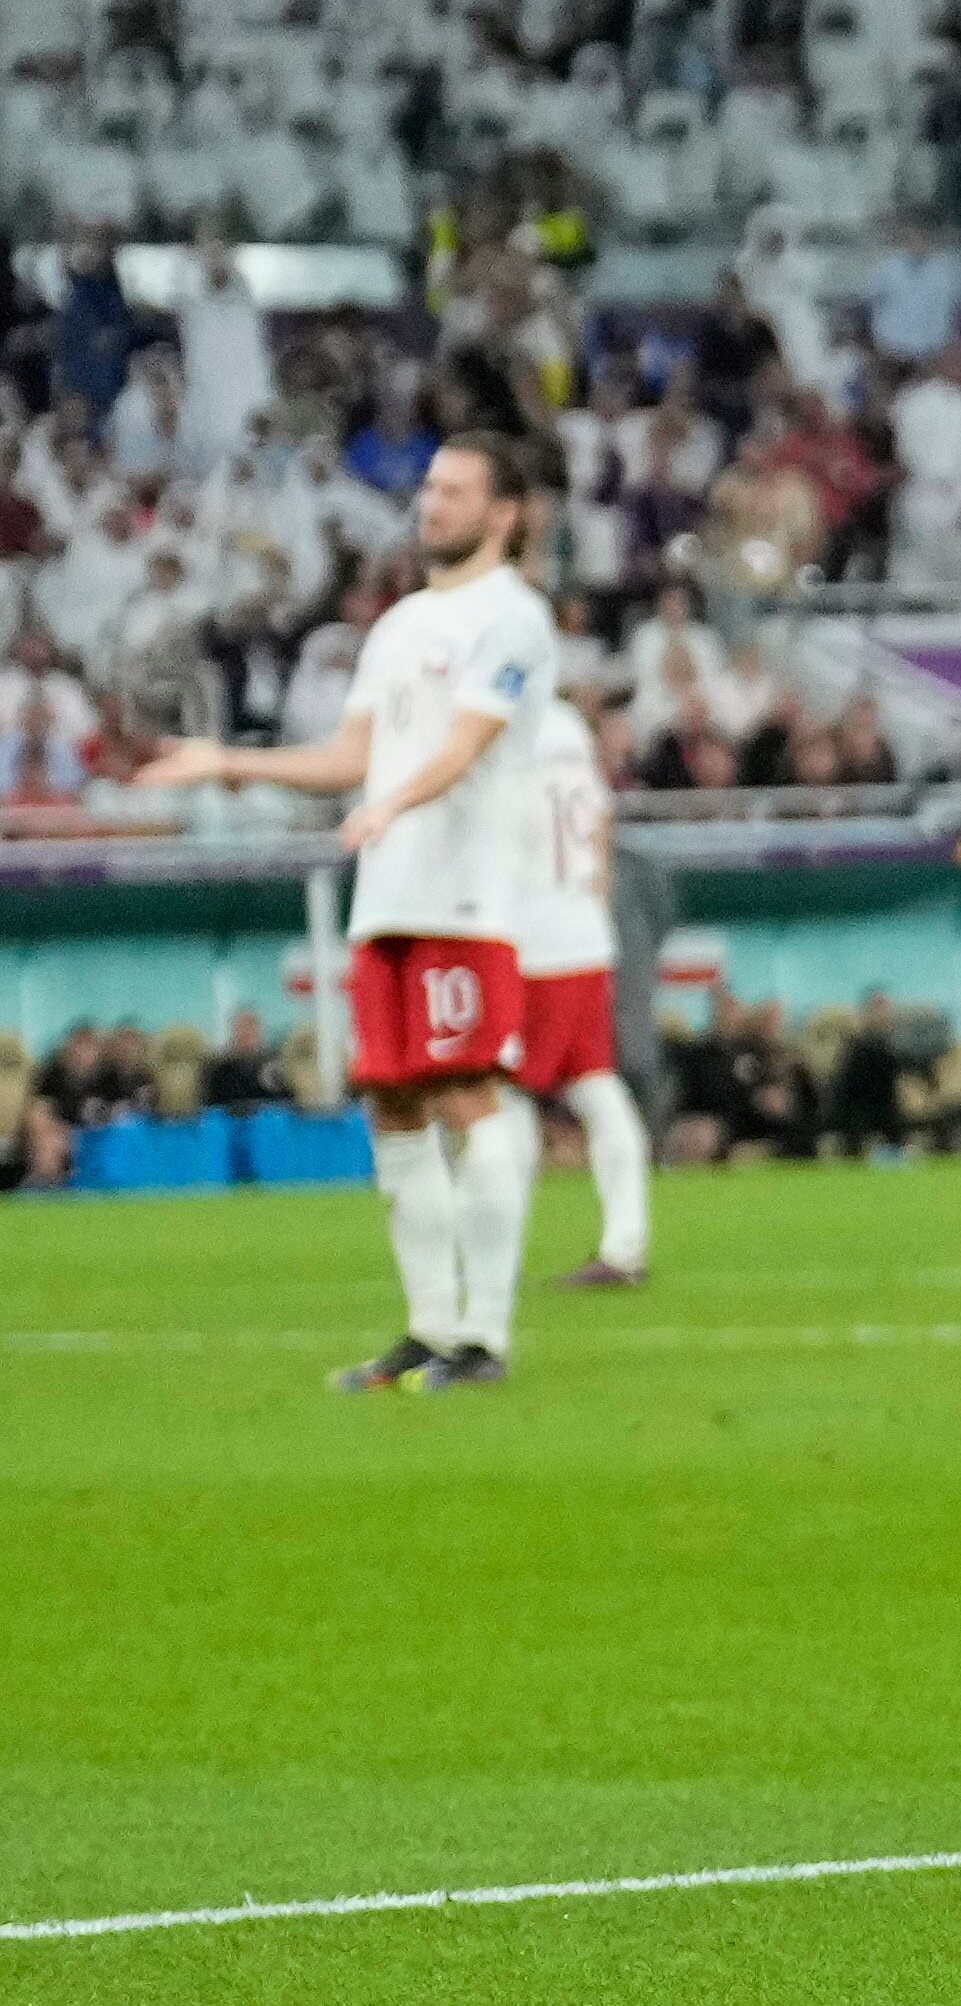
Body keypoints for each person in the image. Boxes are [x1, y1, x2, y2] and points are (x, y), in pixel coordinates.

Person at [136, 437, 556, 1391]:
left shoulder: (514, 618)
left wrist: (391, 803)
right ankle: (428, 1325)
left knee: (468, 1095)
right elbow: (349, 758)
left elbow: (466, 746)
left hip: (465, 897)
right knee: (394, 1105)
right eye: (430, 487)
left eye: (455, 491)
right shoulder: (399, 625)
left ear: (503, 515)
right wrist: (228, 762)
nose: (431, 503)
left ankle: (486, 1335)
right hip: (389, 895)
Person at [514, 688, 654, 1287]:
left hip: (530, 940)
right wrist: (594, 909)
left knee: (507, 1093)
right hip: (584, 933)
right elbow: (600, 823)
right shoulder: (568, 725)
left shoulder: (500, 725)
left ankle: (496, 1249)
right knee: (594, 1083)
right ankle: (626, 1243)